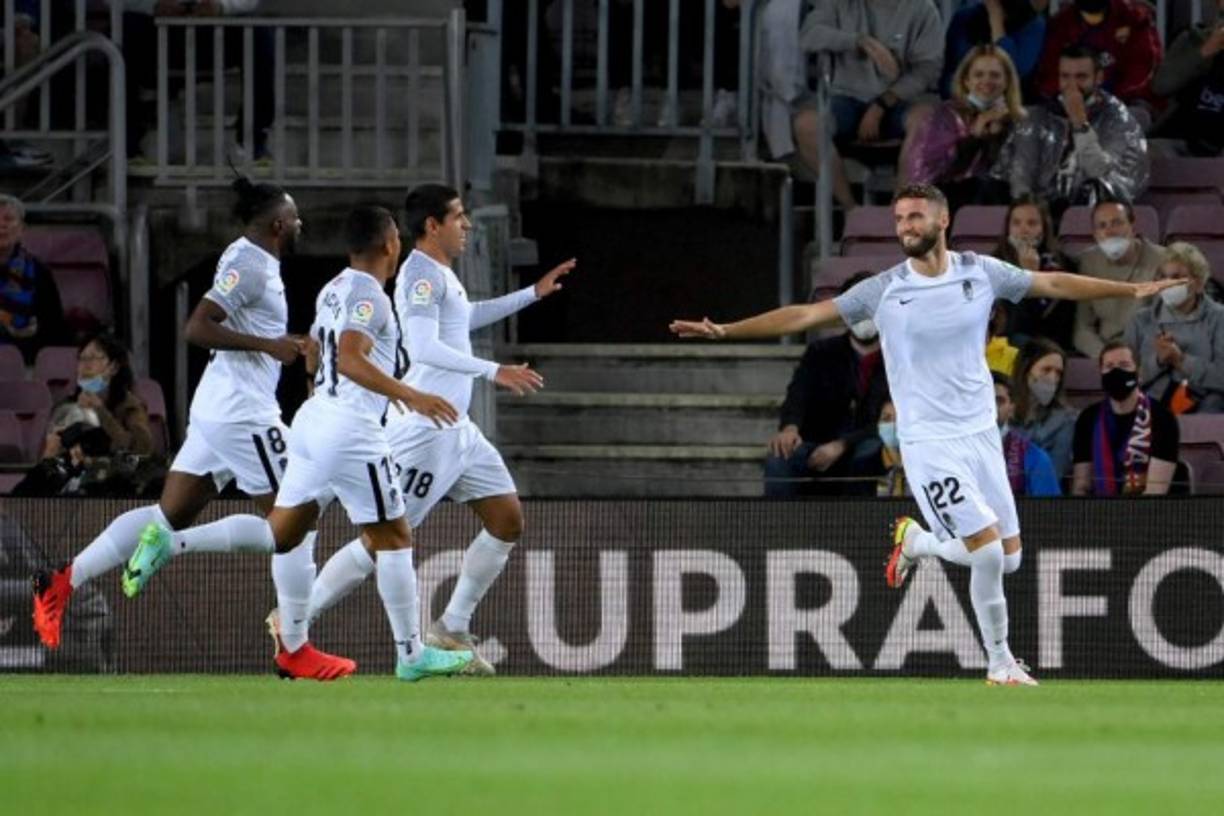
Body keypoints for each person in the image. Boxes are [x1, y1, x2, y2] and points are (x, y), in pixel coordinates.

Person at [671, 182, 1176, 686]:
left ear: (942, 220)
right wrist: (728, 329)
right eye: (899, 220)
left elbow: (1057, 285)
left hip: (981, 436)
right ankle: (1000, 663)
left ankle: (918, 541)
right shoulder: (884, 288)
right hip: (928, 441)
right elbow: (807, 314)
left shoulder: (980, 272)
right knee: (989, 552)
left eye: (915, 217)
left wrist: (1128, 290)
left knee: (1012, 559)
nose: (906, 227)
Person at [128, 205, 469, 682]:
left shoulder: (332, 287)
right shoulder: (372, 296)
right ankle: (412, 656)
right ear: (389, 245)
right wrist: (413, 395)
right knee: (393, 538)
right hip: (351, 431)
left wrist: (319, 393)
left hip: (313, 421)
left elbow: (314, 351)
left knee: (283, 533)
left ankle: (174, 541)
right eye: (397, 239)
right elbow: (349, 358)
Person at [31, 177, 305, 650]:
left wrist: (279, 344)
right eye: (296, 216)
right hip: (243, 414)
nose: (301, 223)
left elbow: (244, 327)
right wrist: (269, 346)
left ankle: (60, 583)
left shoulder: (254, 261)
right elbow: (197, 326)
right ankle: (295, 646)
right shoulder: (249, 263)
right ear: (279, 224)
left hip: (222, 408)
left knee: (168, 513)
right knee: (296, 524)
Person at [299, 185, 561, 676]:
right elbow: (422, 349)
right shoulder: (418, 276)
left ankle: (452, 625)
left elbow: (465, 319)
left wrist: (532, 294)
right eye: (459, 217)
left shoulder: (441, 275)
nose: (468, 225)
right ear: (432, 226)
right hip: (423, 428)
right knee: (384, 539)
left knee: (507, 519)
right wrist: (492, 371)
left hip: (456, 428)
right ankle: (296, 617)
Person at [793, 0, 944, 210]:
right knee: (806, 125)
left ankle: (900, 215)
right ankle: (852, 210)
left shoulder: (923, 9)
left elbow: (927, 70)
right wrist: (860, 42)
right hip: (845, 99)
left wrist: (882, 104)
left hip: (900, 100)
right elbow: (809, 36)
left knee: (927, 123)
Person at [764, 272, 889, 498]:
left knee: (869, 452)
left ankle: (857, 527)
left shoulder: (898, 360)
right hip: (817, 443)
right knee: (780, 457)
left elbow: (891, 421)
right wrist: (790, 427)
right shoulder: (821, 352)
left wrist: (842, 444)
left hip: (865, 443)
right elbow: (797, 394)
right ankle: (777, 529)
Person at [996, 46, 1150, 213]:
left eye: (1081, 77)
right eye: (1065, 77)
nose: (1072, 86)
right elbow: (1021, 174)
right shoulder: (1040, 115)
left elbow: (1100, 176)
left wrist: (1079, 122)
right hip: (1040, 215)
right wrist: (1029, 213)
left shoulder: (1117, 118)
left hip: (1093, 216)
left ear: (1098, 77)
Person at [122, 1, 273, 161]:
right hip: (153, 29)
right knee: (124, 29)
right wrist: (153, 5)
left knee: (256, 32)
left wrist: (221, 6)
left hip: (213, 30)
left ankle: (253, 143)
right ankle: (127, 147)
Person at [907, 44, 1022, 211]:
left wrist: (997, 135)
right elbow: (936, 172)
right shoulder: (944, 116)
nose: (986, 81)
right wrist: (975, 134)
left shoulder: (1019, 120)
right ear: (966, 81)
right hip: (951, 203)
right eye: (979, 75)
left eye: (995, 75)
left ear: (1007, 82)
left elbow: (1020, 174)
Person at [1124, 242, 1224, 413]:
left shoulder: (1219, 318)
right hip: (1152, 403)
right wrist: (1158, 361)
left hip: (1205, 405)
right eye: (1162, 276)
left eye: (1175, 277)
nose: (1167, 283)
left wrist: (1181, 360)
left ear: (1198, 283)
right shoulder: (1140, 320)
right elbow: (1126, 379)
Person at [1071, 341, 1179, 495]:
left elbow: (1155, 493)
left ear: (1139, 373)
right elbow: (1081, 487)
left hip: (1146, 513)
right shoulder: (1087, 419)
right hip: (1097, 513)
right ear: (1101, 374)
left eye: (1124, 365)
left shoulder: (1163, 418)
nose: (1116, 372)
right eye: (1109, 367)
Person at [1073, 199, 1166, 358]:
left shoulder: (1163, 260)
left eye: (1117, 223)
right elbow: (1082, 329)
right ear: (1095, 235)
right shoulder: (1088, 262)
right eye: (1102, 226)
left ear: (1132, 225)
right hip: (1105, 352)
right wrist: (1107, 356)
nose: (1109, 232)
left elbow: (1168, 325)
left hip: (1149, 352)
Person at [41, 333, 153, 460]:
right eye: (82, 359)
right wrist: (51, 451)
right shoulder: (65, 407)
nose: (85, 366)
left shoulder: (130, 406)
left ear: (114, 367)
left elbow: (142, 448)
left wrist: (100, 411)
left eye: (93, 358)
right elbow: (46, 465)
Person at [1035, 0, 1162, 109]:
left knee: (1135, 117)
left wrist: (1111, 103)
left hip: (1126, 104)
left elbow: (1143, 70)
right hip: (1070, 105)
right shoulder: (1060, 23)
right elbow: (1049, 74)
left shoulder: (1134, 17)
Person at [993, 195, 1078, 349]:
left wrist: (1034, 277)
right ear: (1008, 228)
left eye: (1032, 223)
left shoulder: (1065, 266)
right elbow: (1012, 326)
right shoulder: (993, 266)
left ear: (1044, 228)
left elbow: (1057, 326)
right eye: (1016, 223)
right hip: (1004, 346)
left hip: (1050, 347)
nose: (1023, 230)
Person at [1151, 0, 1224, 156]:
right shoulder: (1190, 39)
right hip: (1183, 138)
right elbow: (1161, 87)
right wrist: (1205, 51)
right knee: (1153, 151)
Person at [1, 194, 65, 363]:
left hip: (24, 365)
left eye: (8, 219)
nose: (2, 226)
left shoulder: (38, 272)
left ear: (22, 229)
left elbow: (54, 330)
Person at [941, 0, 1047, 95]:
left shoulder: (1033, 25)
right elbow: (949, 79)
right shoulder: (964, 18)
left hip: (1014, 108)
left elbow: (1013, 70)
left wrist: (996, 20)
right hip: (965, 105)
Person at [1010, 338, 1078, 479]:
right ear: (1026, 370)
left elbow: (1054, 473)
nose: (1053, 378)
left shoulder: (1066, 420)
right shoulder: (1002, 411)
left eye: (1058, 373)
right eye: (1046, 370)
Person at [995, 372, 1062, 496]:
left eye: (999, 401)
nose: (991, 407)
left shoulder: (1036, 458)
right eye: (982, 400)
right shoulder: (952, 452)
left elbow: (1050, 512)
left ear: (1011, 409)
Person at [874, 399, 909, 497]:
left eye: (900, 420)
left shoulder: (926, 465)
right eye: (886, 418)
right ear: (878, 424)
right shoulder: (865, 467)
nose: (894, 425)